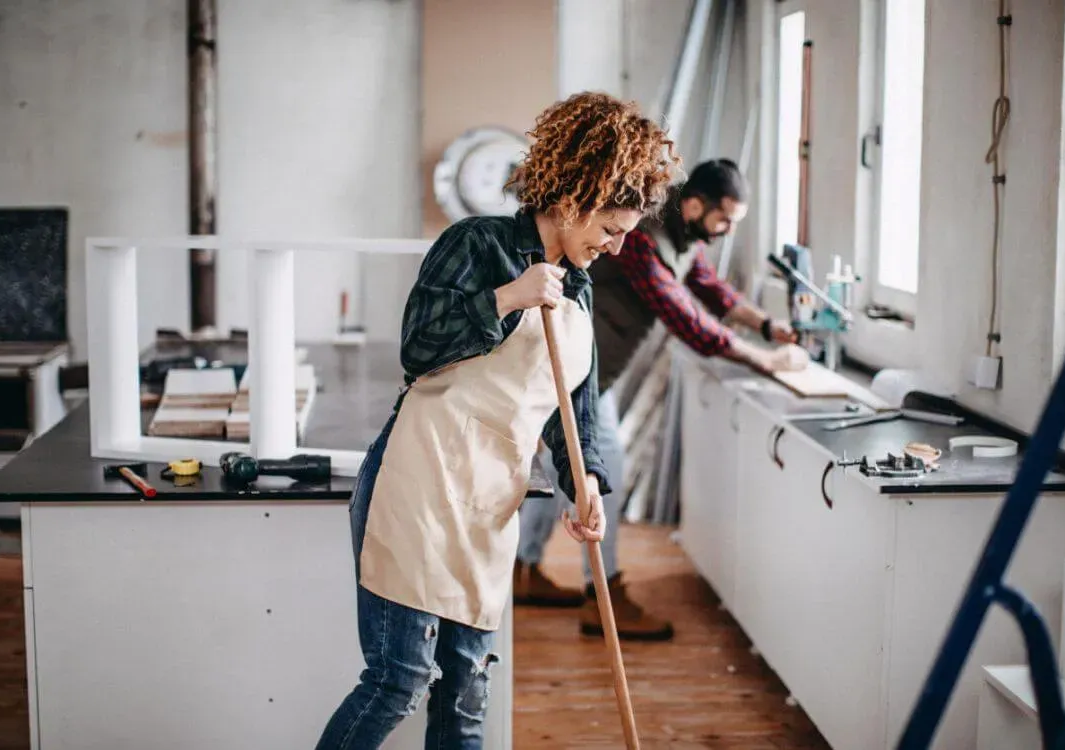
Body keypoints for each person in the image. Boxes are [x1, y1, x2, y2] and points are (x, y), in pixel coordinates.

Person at [314, 92, 681, 749]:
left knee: (466, 692)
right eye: (610, 227)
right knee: (398, 679)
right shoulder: (476, 244)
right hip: (420, 483)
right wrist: (508, 296)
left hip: (489, 503)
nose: (617, 245)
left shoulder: (580, 286)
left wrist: (586, 480)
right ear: (571, 201)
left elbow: (576, 404)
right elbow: (419, 346)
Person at [514, 158, 808, 641]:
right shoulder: (643, 238)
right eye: (724, 219)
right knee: (604, 473)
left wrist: (768, 327)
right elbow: (683, 315)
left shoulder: (682, 238)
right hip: (575, 371)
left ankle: (524, 572)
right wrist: (766, 361)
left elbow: (708, 288)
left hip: (591, 374)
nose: (727, 229)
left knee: (564, 471)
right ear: (694, 205)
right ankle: (602, 599)